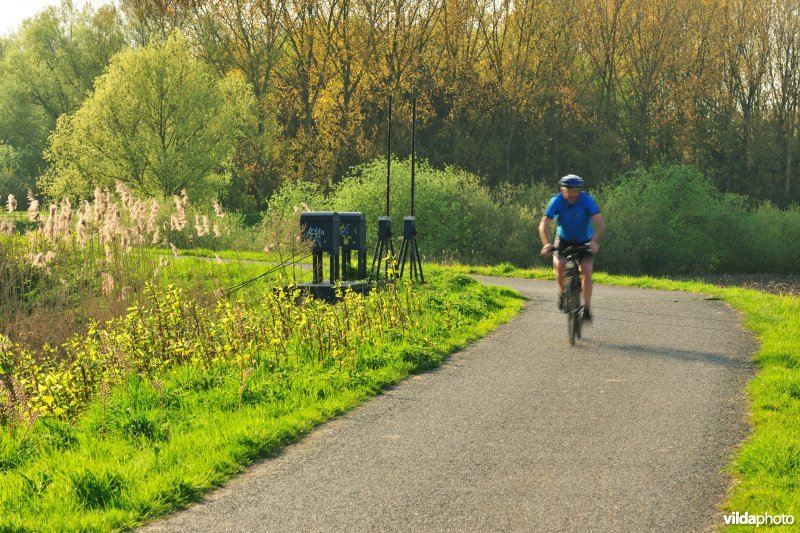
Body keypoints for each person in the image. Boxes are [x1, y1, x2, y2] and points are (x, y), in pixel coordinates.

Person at [538, 174, 605, 321]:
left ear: (580, 190)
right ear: (562, 190)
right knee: (560, 265)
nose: (572, 194)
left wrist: (594, 241)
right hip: (564, 239)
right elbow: (543, 224)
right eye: (568, 190)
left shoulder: (587, 200)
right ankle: (563, 293)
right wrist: (547, 244)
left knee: (587, 271)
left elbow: (599, 223)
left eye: (576, 191)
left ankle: (586, 308)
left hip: (584, 241)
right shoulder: (556, 201)